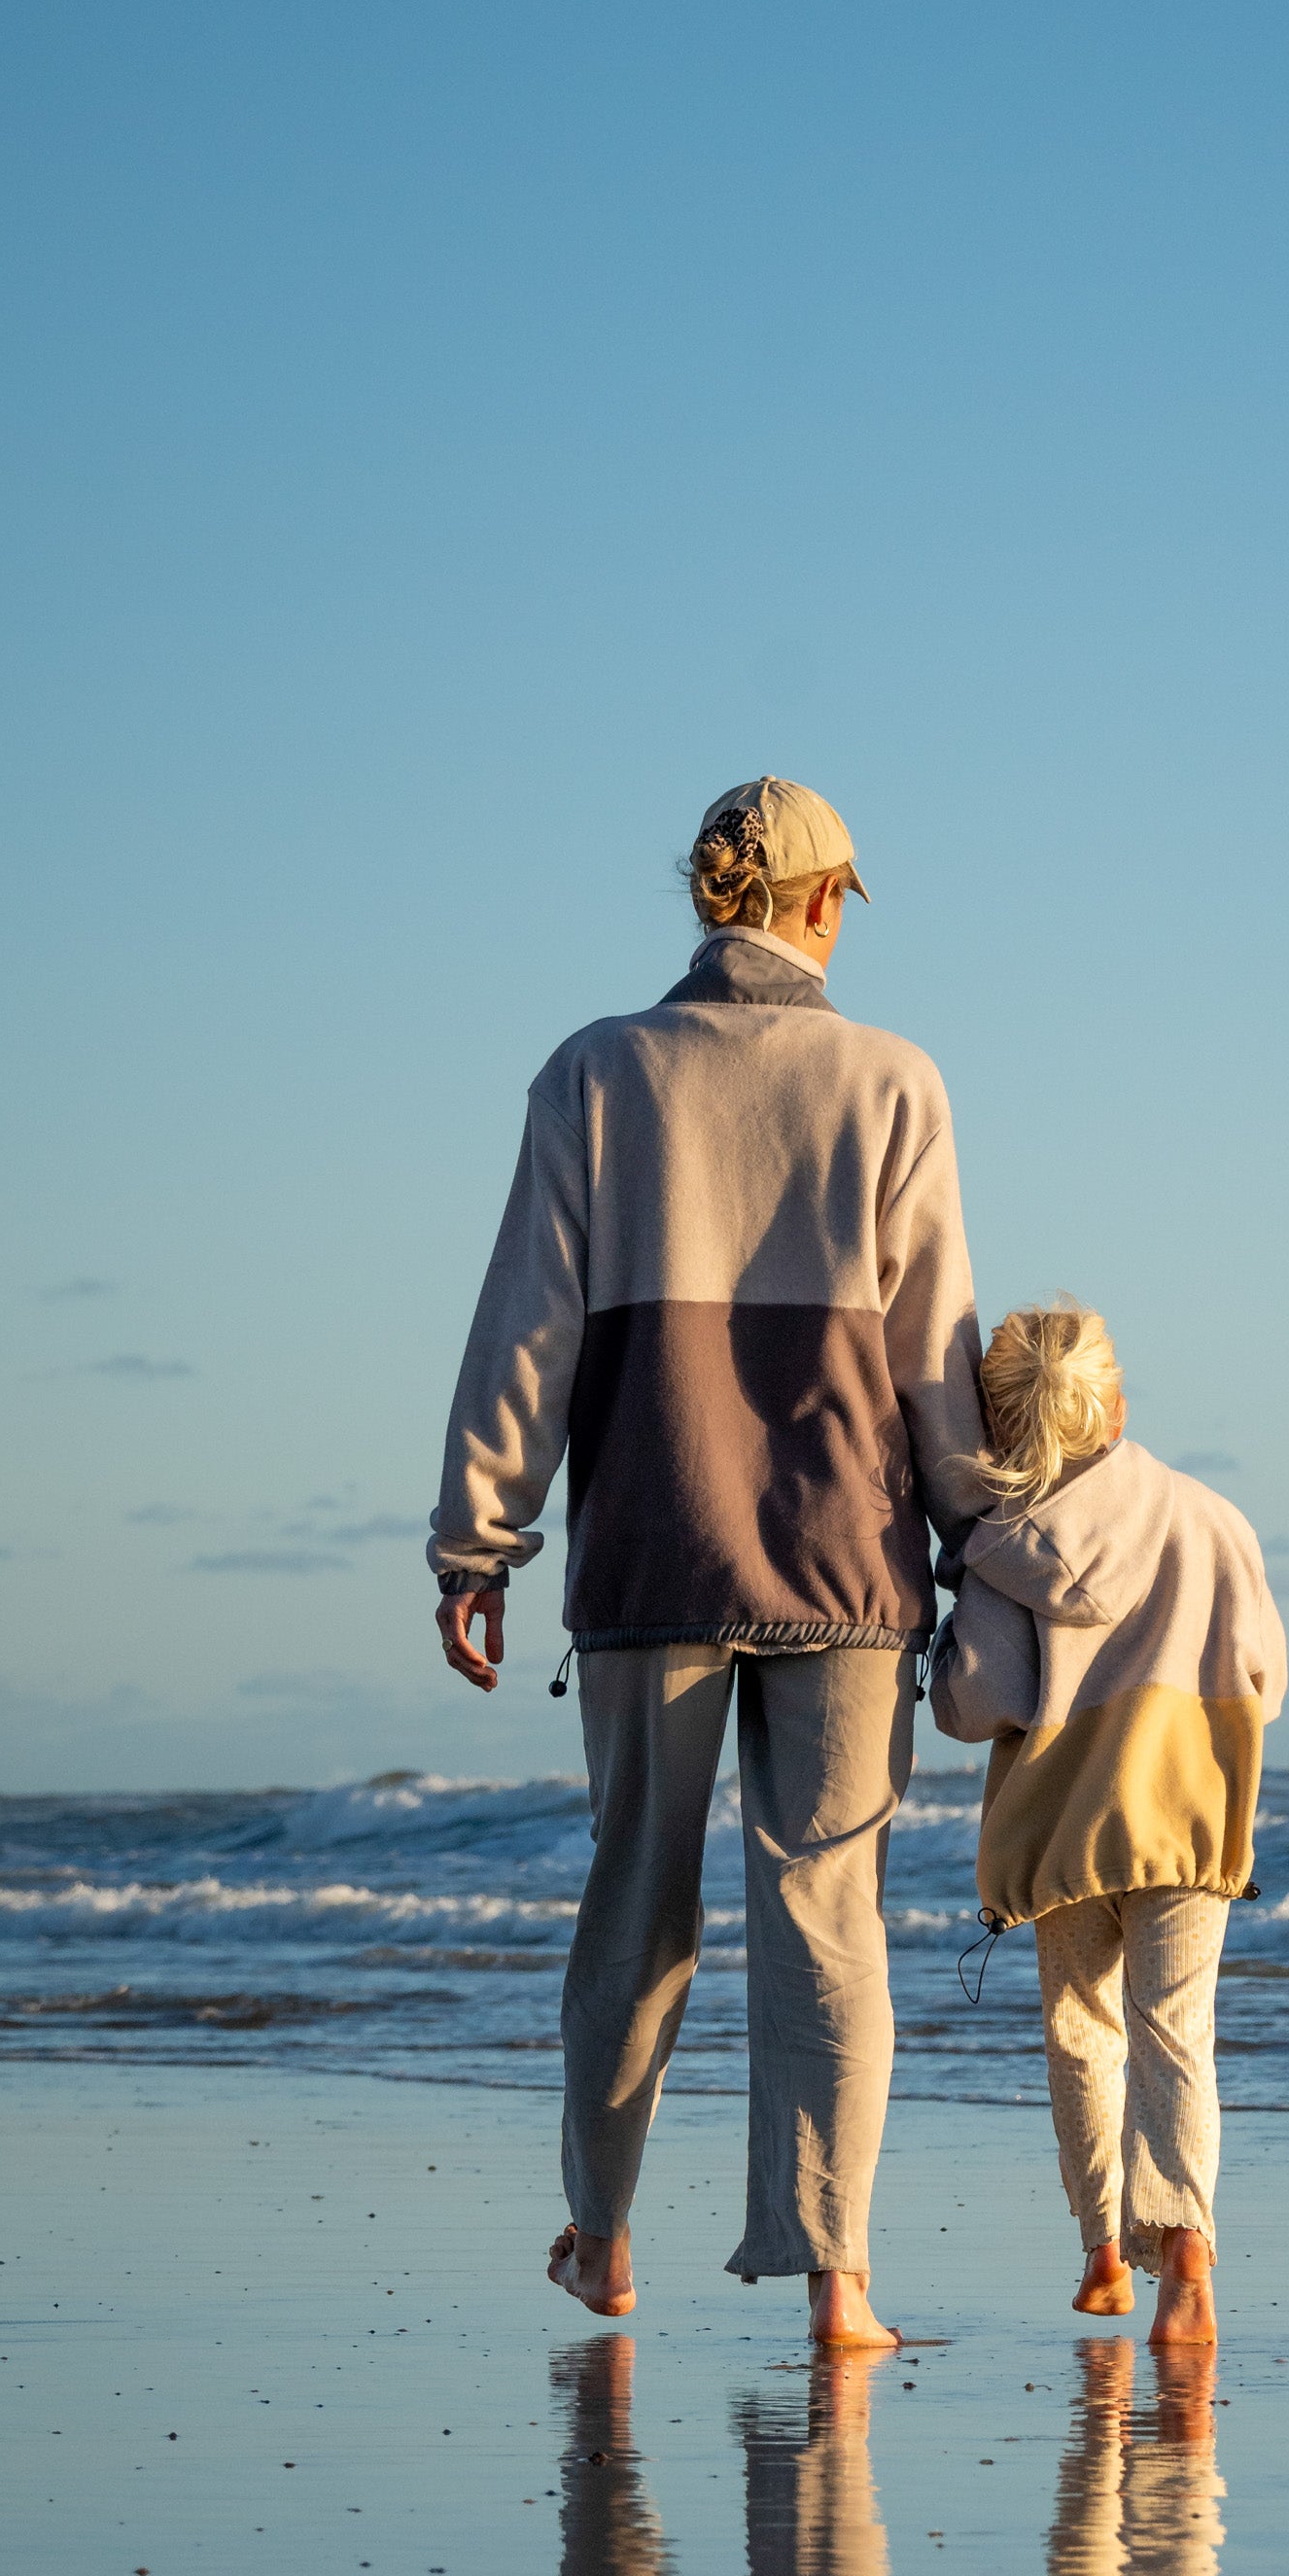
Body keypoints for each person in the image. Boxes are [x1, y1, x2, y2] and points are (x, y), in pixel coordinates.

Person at [430, 778, 985, 2346]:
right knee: (828, 1915)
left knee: (634, 1905)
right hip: (844, 1557)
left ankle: (602, 2240)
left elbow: (524, 1329)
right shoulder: (891, 1077)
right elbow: (936, 1343)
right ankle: (838, 2279)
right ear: (826, 901)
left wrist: (479, 1538)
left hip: (652, 1547)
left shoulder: (595, 1071)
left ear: (706, 895)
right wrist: (981, 1541)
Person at [929, 1302, 1285, 2345]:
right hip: (1188, 1817)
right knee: (1175, 2032)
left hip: (1064, 1827)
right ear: (1116, 1405)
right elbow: (1263, 1683)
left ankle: (1097, 2250)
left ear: (1000, 1431)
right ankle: (1183, 2255)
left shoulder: (1004, 1554)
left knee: (1080, 2032)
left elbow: (965, 1707)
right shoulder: (1213, 1520)